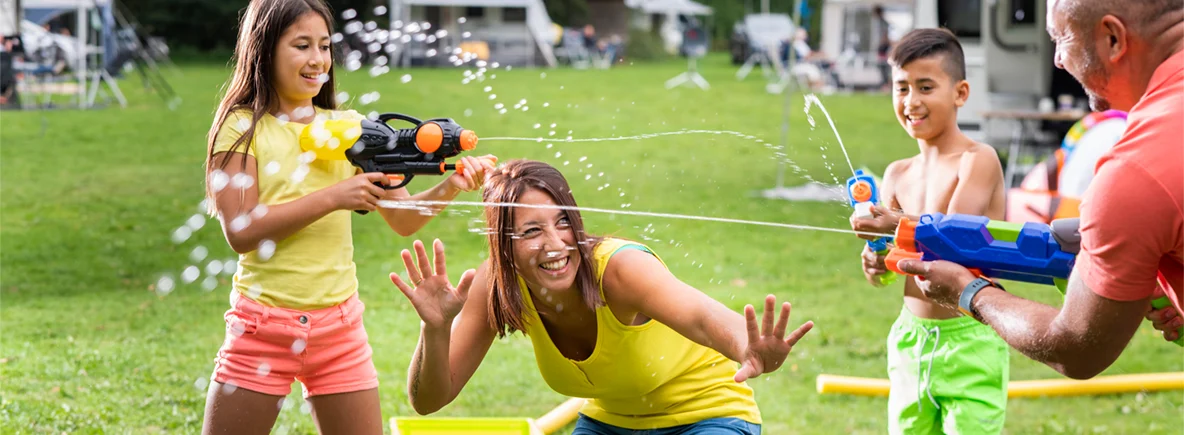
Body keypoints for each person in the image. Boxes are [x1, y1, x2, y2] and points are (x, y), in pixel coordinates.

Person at [199, 0, 493, 433]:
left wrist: (450, 184)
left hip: (339, 330)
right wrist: (334, 196)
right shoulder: (242, 128)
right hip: (262, 328)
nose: (317, 59)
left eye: (324, 45)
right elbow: (242, 232)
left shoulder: (351, 129)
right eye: (301, 45)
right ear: (263, 50)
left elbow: (403, 218)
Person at [389, 159, 814, 434]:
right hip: (609, 423)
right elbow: (428, 401)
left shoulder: (620, 268)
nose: (555, 245)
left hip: (707, 415)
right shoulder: (497, 284)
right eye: (532, 231)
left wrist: (749, 346)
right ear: (504, 246)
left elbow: (702, 317)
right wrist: (435, 328)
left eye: (563, 223)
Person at [893, 0, 1183, 379]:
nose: (1059, 60)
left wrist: (971, 292)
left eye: (1061, 39)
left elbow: (1076, 348)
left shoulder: (1133, 174)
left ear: (1112, 38)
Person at [850, 28, 1010, 434]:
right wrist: (875, 261)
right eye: (901, 88)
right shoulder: (897, 174)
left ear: (960, 93)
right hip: (910, 339)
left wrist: (895, 223)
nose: (911, 102)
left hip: (970, 338)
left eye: (925, 87)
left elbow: (955, 241)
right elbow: (890, 269)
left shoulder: (978, 160)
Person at [873, 5, 894, 92]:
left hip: (883, 47)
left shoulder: (883, 23)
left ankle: (886, 85)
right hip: (882, 46)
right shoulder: (879, 22)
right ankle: (885, 84)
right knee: (882, 66)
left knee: (884, 66)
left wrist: (883, 44)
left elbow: (885, 35)